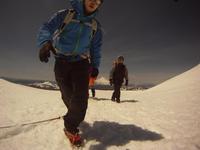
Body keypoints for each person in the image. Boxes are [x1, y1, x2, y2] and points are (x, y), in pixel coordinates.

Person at [37, 0, 103, 146]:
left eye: (98, 2)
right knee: (68, 95)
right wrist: (45, 43)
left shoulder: (95, 27)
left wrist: (95, 67)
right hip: (61, 61)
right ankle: (74, 114)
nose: (95, 2)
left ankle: (70, 127)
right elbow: (47, 27)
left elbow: (96, 49)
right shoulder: (65, 15)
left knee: (80, 98)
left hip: (81, 63)